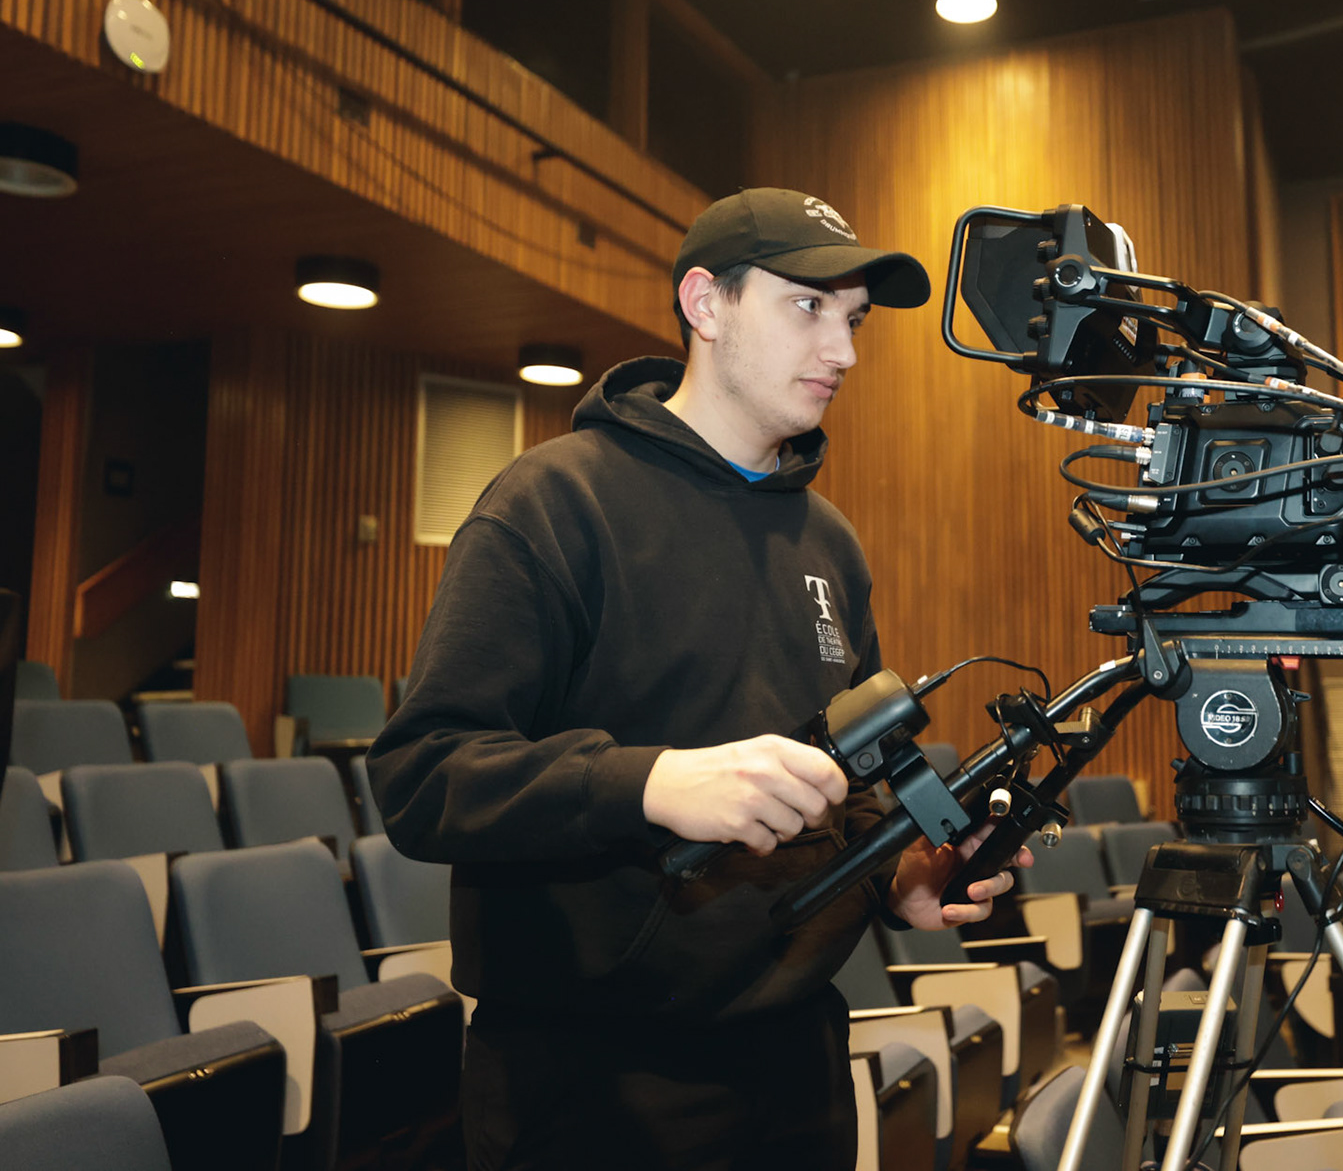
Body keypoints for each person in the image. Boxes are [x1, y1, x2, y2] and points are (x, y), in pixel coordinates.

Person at [369, 187, 1031, 1171]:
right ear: (704, 303)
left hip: (799, 1065)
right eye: (808, 307)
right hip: (593, 1086)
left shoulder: (829, 541)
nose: (843, 350)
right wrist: (650, 782)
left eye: (853, 320)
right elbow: (421, 775)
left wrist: (900, 875)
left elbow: (852, 789)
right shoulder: (555, 501)